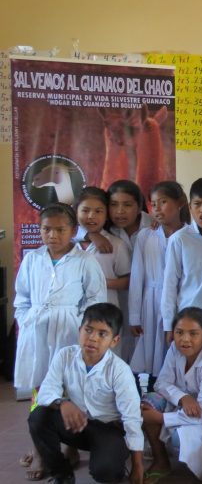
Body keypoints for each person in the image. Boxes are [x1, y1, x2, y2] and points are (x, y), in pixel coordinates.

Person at [15, 203, 107, 481]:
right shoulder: (33, 259)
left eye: (59, 229)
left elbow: (96, 299)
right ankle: (41, 448)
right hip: (38, 332)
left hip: (71, 332)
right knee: (41, 386)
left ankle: (70, 445)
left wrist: (83, 330)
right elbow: (22, 297)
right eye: (46, 229)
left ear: (73, 231)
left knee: (70, 388)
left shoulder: (85, 261)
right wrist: (27, 320)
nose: (52, 235)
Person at [29, 303, 144, 484]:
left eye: (102, 334)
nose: (92, 338)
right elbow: (46, 391)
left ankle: (113, 462)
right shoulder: (65, 356)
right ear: (79, 330)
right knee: (38, 417)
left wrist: (138, 466)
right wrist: (62, 403)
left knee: (106, 472)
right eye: (88, 330)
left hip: (108, 430)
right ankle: (62, 474)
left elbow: (132, 417)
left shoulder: (120, 370)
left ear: (114, 341)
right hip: (77, 425)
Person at [142, 307, 202, 482]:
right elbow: (161, 382)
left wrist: (161, 418)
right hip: (177, 405)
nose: (185, 339)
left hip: (201, 420)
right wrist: (183, 397)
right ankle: (160, 460)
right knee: (148, 403)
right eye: (179, 332)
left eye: (193, 334)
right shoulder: (174, 349)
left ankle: (191, 471)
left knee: (180, 438)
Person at [129, 181, 189, 386]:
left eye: (163, 202)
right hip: (151, 301)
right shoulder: (146, 236)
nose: (157, 208)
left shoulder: (190, 235)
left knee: (176, 351)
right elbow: (137, 277)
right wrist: (134, 315)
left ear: (180, 203)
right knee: (151, 355)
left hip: (180, 301)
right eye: (153, 204)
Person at [162, 177, 202, 352]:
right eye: (197, 204)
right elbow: (169, 285)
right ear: (189, 207)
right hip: (190, 323)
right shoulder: (180, 240)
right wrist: (169, 325)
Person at [76, 187, 132, 309]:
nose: (91, 216)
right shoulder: (67, 243)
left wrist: (99, 282)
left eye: (98, 211)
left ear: (107, 215)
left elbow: (128, 281)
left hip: (105, 312)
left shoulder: (116, 244)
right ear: (76, 212)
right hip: (72, 315)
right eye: (85, 211)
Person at [107, 179, 153, 251]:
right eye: (113, 204)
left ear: (139, 207)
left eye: (127, 205)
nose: (120, 211)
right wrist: (93, 236)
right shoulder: (105, 227)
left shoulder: (154, 225)